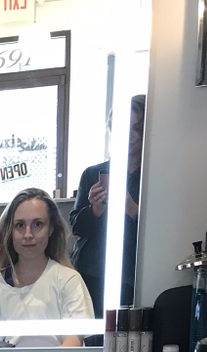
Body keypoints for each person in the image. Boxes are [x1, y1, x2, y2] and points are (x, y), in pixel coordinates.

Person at [0, 188, 93, 345]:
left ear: (51, 229)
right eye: (20, 225)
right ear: (10, 231)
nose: (28, 235)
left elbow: (73, 342)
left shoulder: (68, 280)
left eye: (38, 224)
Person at [70, 95, 146, 317]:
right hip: (92, 271)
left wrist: (133, 210)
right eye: (123, 128)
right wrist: (95, 211)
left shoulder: (152, 177)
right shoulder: (93, 174)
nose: (130, 136)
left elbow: (161, 234)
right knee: (92, 331)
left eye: (136, 128)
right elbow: (76, 227)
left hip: (134, 275)